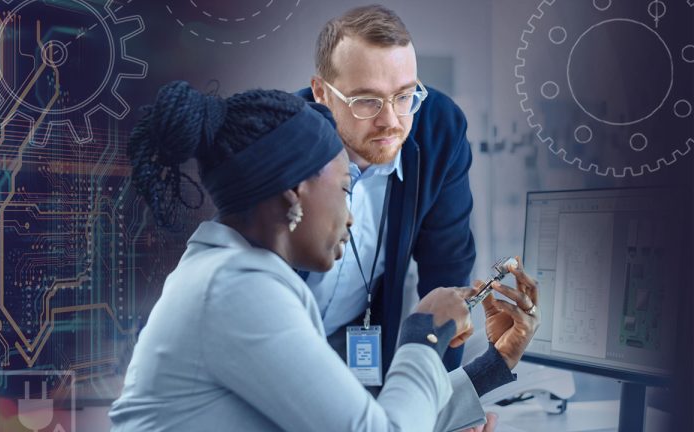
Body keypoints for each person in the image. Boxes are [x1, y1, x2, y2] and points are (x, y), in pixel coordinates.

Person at [108, 81, 539, 431]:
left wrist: (493, 364)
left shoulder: (241, 276)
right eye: (345, 191)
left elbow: (359, 419)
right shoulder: (236, 290)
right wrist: (425, 332)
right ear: (294, 196)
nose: (351, 218)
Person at [295, 5, 539, 377]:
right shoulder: (278, 137)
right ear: (321, 94)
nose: (390, 120)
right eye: (366, 101)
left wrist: (444, 405)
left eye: (405, 95)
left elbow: (446, 279)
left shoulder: (438, 129)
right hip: (274, 336)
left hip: (355, 344)